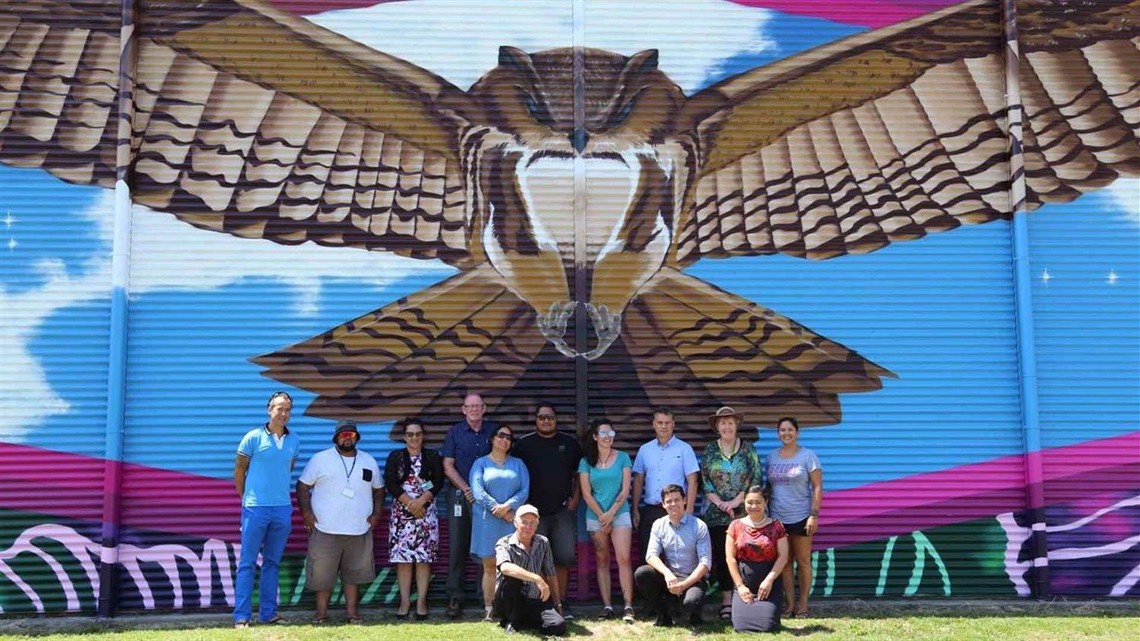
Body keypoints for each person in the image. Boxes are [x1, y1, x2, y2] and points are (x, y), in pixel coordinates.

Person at [296, 420, 383, 625]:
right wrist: (307, 514)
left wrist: (376, 515)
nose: (347, 437)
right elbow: (302, 486)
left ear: (356, 438)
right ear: (336, 437)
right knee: (322, 576)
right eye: (343, 434)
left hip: (359, 530)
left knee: (354, 575)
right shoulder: (320, 459)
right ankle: (321, 614)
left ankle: (352, 614)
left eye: (351, 434)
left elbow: (379, 490)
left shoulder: (368, 461)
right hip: (325, 528)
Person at [232, 391, 302, 628]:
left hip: (282, 509)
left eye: (287, 409)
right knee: (247, 562)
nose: (283, 413)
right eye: (279, 408)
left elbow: (287, 470)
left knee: (272, 562)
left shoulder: (294, 441)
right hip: (255, 509)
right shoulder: (252, 438)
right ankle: (241, 616)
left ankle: (268, 613)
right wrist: (246, 498)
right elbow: (239, 470)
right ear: (269, 409)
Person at [512, 402, 582, 618]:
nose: (546, 421)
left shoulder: (569, 444)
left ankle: (561, 601)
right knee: (536, 559)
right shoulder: (523, 445)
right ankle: (541, 603)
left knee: (563, 558)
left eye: (550, 417)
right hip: (533, 515)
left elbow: (578, 474)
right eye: (542, 417)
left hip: (562, 511)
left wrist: (575, 499)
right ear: (536, 420)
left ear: (556, 419)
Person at [700, 406, 763, 620]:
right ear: (717, 427)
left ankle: (746, 598)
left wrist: (736, 501)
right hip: (717, 515)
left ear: (737, 425)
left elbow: (756, 478)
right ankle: (727, 600)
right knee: (723, 557)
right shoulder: (709, 450)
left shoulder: (748, 449)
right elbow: (705, 480)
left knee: (746, 555)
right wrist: (720, 503)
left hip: (745, 514)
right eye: (722, 423)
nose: (726, 426)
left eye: (730, 422)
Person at [383, 417, 444, 620]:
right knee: (404, 560)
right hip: (402, 515)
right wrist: (411, 503)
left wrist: (421, 502)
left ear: (423, 436)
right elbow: (391, 483)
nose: (414, 438)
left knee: (424, 559)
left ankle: (421, 602)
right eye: (410, 434)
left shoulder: (433, 456)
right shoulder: (395, 457)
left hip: (426, 513)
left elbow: (437, 482)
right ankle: (404, 601)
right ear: (404, 437)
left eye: (418, 434)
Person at [440, 393, 495, 617]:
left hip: (488, 498)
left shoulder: (494, 431)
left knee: (485, 547)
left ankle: (487, 598)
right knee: (458, 546)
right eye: (469, 406)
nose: (473, 409)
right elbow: (448, 465)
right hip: (460, 496)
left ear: (484, 408)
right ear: (463, 409)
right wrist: (466, 489)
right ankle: (455, 597)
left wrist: (482, 493)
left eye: (477, 406)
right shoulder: (454, 433)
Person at [470, 424, 530, 621]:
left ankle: (509, 607)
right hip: (488, 521)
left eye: (509, 437)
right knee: (489, 565)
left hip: (511, 521)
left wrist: (508, 507)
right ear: (492, 438)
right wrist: (499, 509)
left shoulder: (519, 464)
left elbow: (524, 490)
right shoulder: (480, 463)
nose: (504, 440)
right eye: (501, 435)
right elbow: (477, 491)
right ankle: (489, 607)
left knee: (511, 565)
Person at [577, 417, 635, 622]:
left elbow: (625, 490)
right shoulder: (585, 462)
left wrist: (610, 514)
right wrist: (603, 517)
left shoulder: (623, 458)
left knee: (623, 558)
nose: (607, 437)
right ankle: (607, 605)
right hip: (595, 516)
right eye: (603, 433)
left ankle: (628, 606)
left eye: (611, 433)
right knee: (602, 560)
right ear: (595, 437)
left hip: (619, 513)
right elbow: (586, 494)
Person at [766, 416, 822, 619]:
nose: (786, 433)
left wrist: (813, 515)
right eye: (782, 430)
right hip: (777, 518)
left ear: (797, 433)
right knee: (785, 563)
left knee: (804, 562)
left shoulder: (808, 456)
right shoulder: (771, 457)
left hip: (801, 516)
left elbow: (817, 487)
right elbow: (769, 488)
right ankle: (789, 606)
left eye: (790, 430)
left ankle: (803, 606)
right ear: (778, 433)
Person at [633, 484, 712, 627]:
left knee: (689, 603)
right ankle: (664, 615)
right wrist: (667, 573)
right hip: (670, 577)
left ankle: (692, 612)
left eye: (677, 500)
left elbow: (705, 563)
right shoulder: (658, 524)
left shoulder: (699, 526)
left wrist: (684, 585)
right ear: (663, 504)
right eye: (669, 501)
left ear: (684, 500)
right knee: (642, 573)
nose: (673, 504)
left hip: (693, 578)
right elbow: (651, 555)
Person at [631, 406, 699, 561]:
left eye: (667, 422)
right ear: (653, 424)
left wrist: (688, 511)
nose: (663, 426)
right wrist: (635, 509)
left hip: (676, 511)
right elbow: (638, 480)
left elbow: (693, 481)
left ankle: (677, 585)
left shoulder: (684, 449)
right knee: (648, 556)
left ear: (673, 424)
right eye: (660, 422)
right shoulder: (644, 450)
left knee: (676, 557)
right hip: (650, 511)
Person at [492, 504, 568, 636]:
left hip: (535, 599)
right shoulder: (503, 543)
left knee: (558, 626)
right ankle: (513, 620)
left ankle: (523, 621)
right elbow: (505, 567)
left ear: (537, 525)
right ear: (515, 522)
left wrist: (558, 604)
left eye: (532, 523)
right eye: (524, 522)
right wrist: (536, 578)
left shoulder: (543, 542)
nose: (528, 527)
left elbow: (551, 573)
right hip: (509, 600)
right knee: (512, 577)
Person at [725, 485, 789, 633]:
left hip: (768, 586)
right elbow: (730, 558)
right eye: (750, 502)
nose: (754, 506)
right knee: (740, 627)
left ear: (766, 502)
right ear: (744, 502)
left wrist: (769, 581)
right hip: (744, 585)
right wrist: (740, 586)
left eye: (758, 502)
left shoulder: (777, 526)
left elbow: (783, 557)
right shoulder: (735, 525)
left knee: (767, 626)